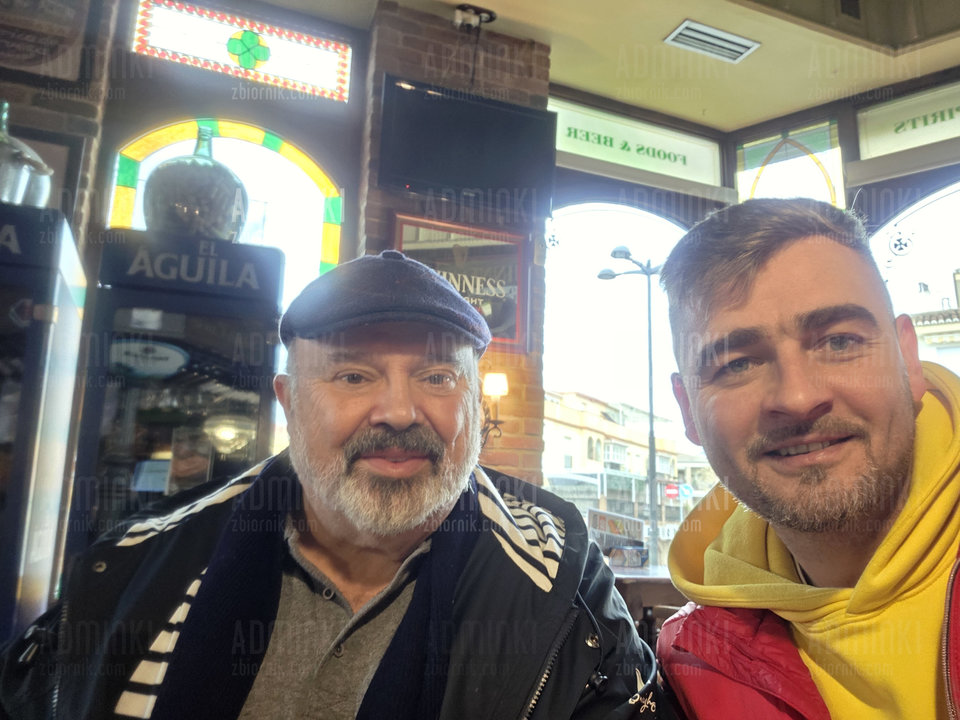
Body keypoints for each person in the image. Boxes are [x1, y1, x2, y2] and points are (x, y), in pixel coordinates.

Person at [0, 250, 662, 720]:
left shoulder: (567, 587)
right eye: (352, 376)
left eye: (437, 376)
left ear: (474, 404)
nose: (399, 412)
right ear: (288, 401)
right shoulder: (134, 565)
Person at [655, 197, 960, 719]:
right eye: (737, 364)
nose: (797, 398)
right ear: (688, 410)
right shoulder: (693, 663)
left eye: (839, 341)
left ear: (908, 360)